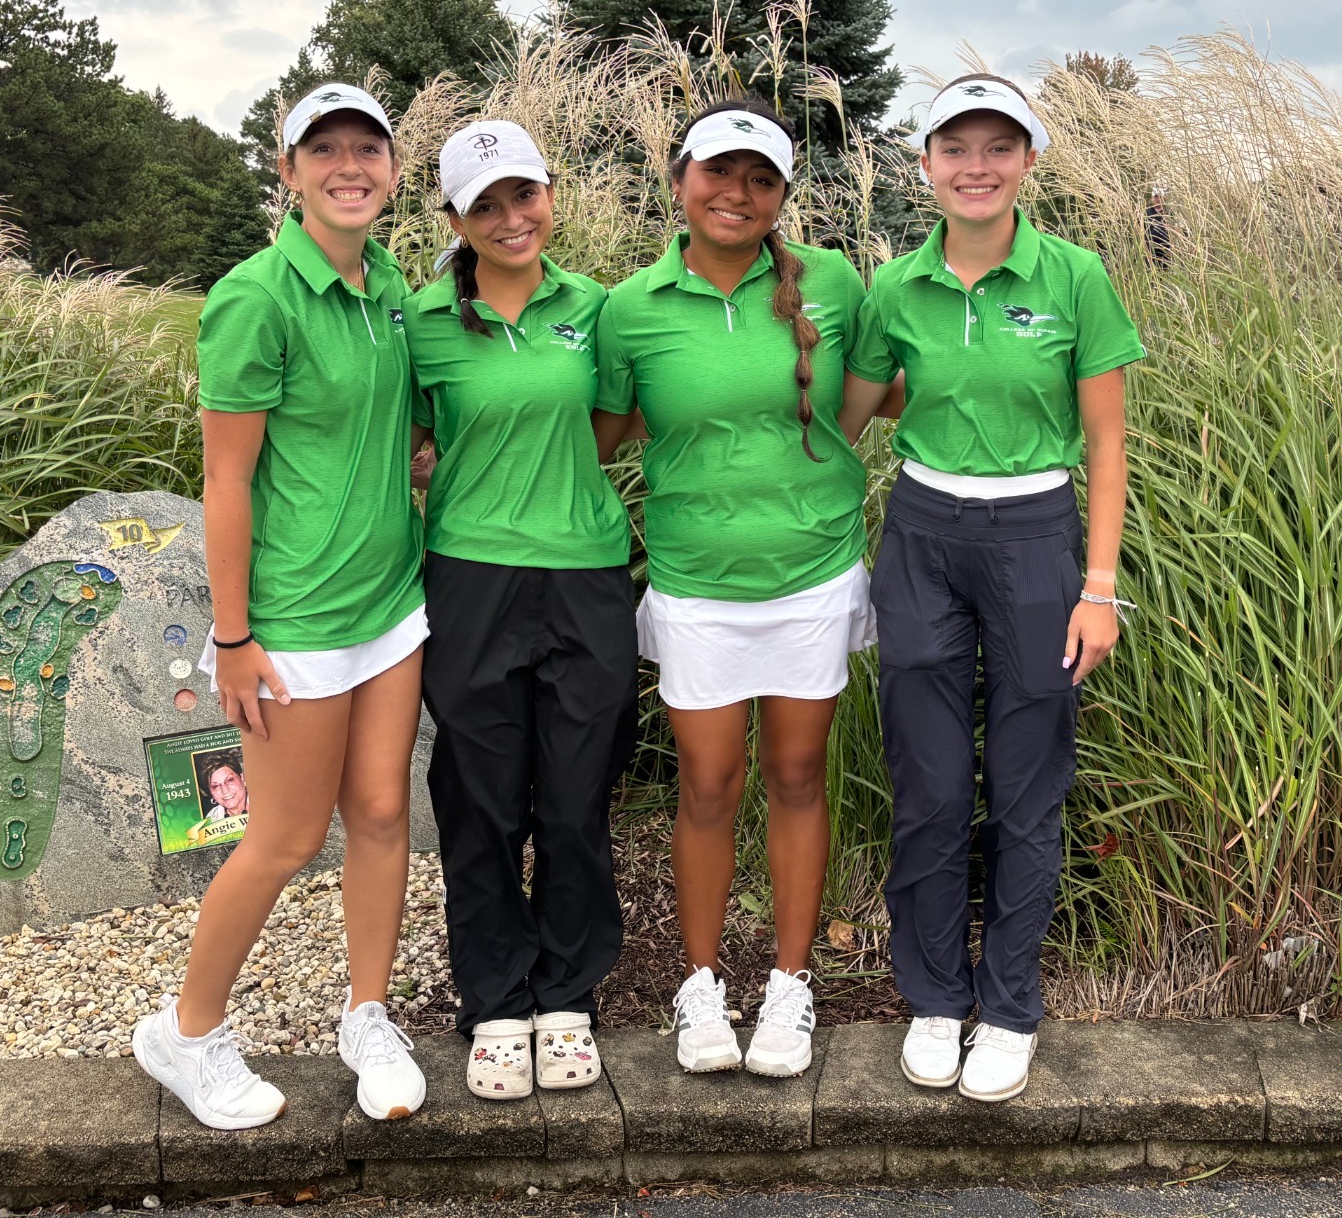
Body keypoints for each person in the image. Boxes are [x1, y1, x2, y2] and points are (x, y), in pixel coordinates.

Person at [840, 75, 1143, 1102]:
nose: (975, 166)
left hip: (1036, 540)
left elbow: (1105, 441)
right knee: (927, 783)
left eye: (996, 147)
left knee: (1024, 784)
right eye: (953, 147)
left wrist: (1096, 585)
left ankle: (1007, 1004)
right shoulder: (892, 288)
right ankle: (932, 996)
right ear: (922, 165)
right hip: (922, 533)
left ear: (1025, 162)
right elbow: (856, 409)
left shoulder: (1071, 276)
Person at [132, 83, 428, 1130]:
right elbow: (226, 481)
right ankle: (188, 1032)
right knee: (285, 837)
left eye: (368, 149)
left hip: (391, 605)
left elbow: (396, 426)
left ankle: (366, 1012)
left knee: (385, 813)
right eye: (325, 150)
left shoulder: (390, 284)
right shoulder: (255, 297)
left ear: (393, 170)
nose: (349, 166)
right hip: (297, 619)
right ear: (287, 170)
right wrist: (232, 636)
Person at [593, 101, 872, 1079]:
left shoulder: (830, 283)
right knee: (708, 786)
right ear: (679, 181)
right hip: (695, 583)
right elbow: (601, 433)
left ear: (782, 195)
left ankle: (791, 988)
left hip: (810, 574)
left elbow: (862, 401)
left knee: (796, 777)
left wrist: (800, 483)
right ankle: (699, 988)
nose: (736, 193)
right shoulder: (628, 308)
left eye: (760, 178)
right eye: (717, 172)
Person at [403, 119, 637, 1101]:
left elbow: (610, 425)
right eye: (484, 204)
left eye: (524, 196)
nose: (509, 219)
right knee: (483, 799)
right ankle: (497, 1001)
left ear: (551, 193)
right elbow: (406, 440)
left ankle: (566, 998)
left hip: (583, 574)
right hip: (469, 578)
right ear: (453, 217)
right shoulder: (418, 321)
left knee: (576, 799)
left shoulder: (598, 309)